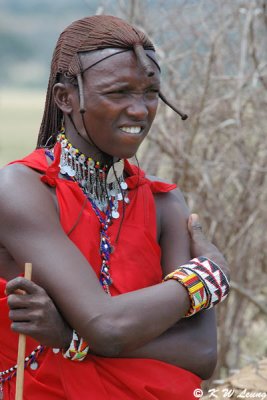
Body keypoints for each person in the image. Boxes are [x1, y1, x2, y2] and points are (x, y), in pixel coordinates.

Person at [0, 15, 230, 400]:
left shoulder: (164, 203)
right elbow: (105, 325)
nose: (140, 110)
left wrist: (69, 336)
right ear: (65, 98)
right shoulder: (23, 190)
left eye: (150, 92)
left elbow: (201, 353)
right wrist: (207, 278)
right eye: (119, 92)